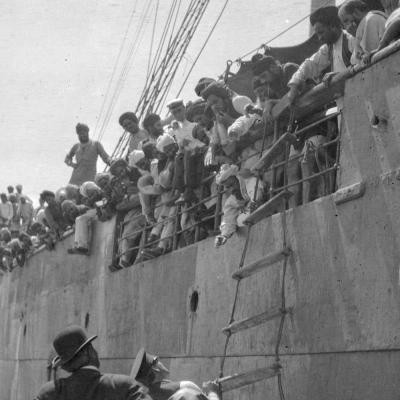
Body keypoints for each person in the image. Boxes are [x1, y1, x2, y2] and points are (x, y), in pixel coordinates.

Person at [34, 325, 150, 400]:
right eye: (92, 347)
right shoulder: (124, 386)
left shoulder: (49, 392)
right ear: (88, 351)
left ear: (66, 365)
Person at [287, 6, 355, 106]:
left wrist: (336, 76)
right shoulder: (328, 48)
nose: (319, 38)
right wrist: (294, 85)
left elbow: (360, 66)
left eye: (321, 32)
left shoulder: (351, 40)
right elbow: (309, 65)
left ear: (333, 26)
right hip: (345, 104)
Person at [131, 348, 207, 400]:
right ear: (156, 369)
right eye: (157, 360)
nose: (161, 362)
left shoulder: (145, 393)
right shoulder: (181, 386)